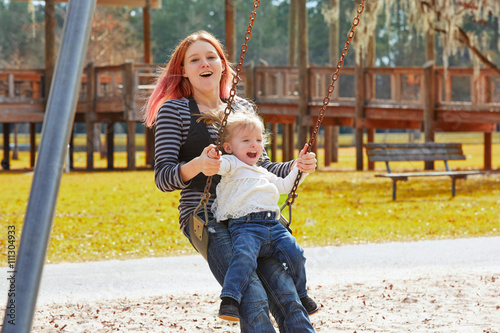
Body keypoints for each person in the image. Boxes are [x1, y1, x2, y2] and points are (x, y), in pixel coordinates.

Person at [143, 30, 318, 332]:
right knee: (251, 295)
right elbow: (163, 177)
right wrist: (198, 165)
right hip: (206, 214)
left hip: (252, 216)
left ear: (223, 65)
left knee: (287, 294)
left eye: (211, 57)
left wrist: (297, 166)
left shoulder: (241, 109)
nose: (204, 64)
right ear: (183, 70)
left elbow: (261, 167)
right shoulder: (175, 110)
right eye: (194, 59)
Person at [201, 107, 319, 321]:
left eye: (257, 139)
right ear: (229, 147)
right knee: (243, 258)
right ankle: (230, 300)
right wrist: (212, 156)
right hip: (245, 226)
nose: (254, 144)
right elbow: (217, 165)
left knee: (297, 255)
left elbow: (284, 185)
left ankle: (302, 294)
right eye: (245, 140)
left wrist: (299, 169)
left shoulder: (263, 172)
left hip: (273, 226)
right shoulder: (232, 164)